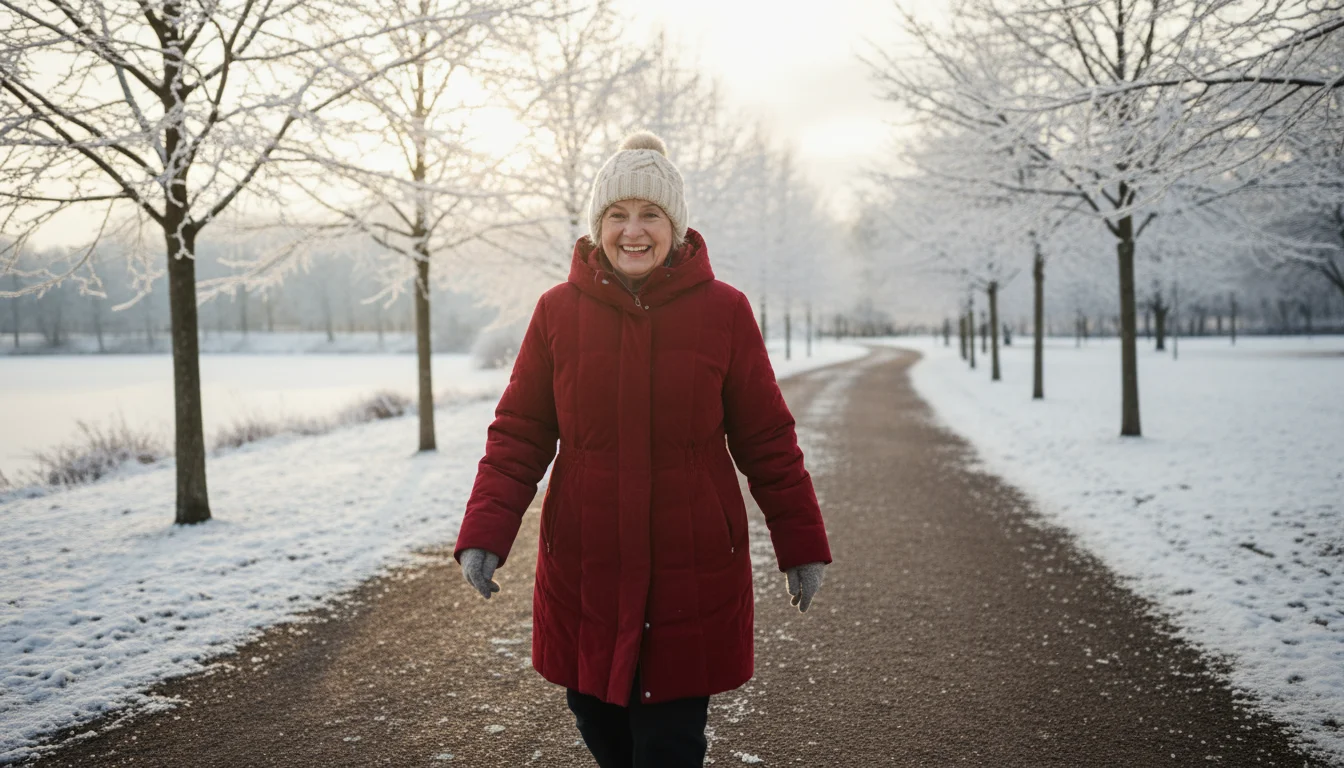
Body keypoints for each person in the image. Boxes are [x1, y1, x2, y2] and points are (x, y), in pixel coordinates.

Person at [453, 131, 831, 768]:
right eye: (618, 215)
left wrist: (801, 545)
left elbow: (767, 439)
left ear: (676, 227)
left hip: (691, 569)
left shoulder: (726, 312)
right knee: (597, 720)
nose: (634, 231)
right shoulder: (556, 312)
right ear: (598, 225)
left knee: (667, 742)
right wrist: (485, 532)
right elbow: (519, 432)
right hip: (585, 565)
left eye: (650, 214)